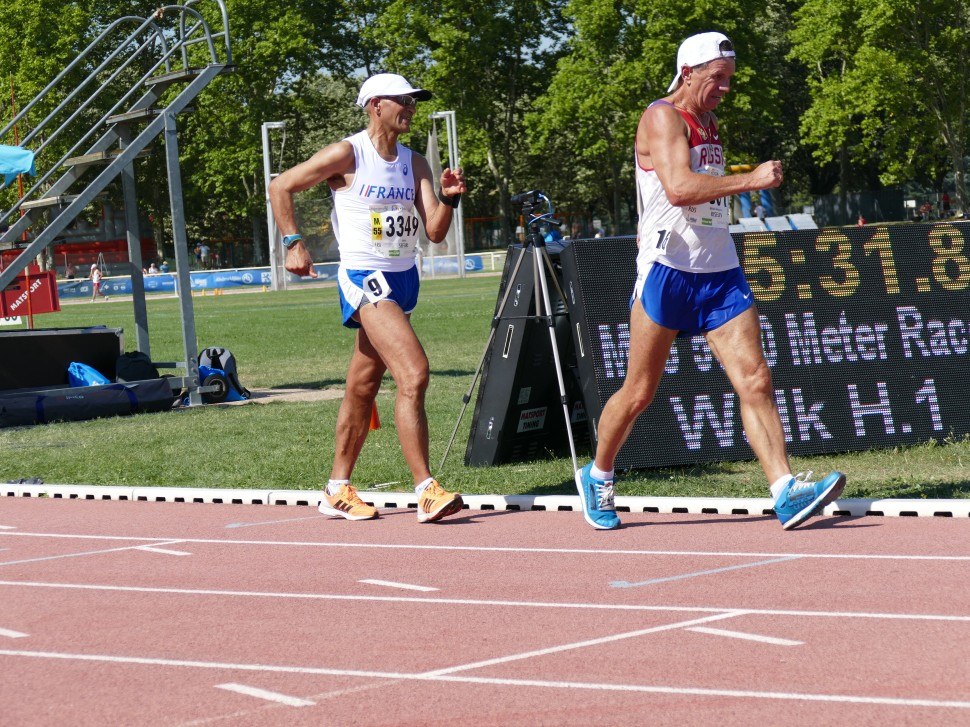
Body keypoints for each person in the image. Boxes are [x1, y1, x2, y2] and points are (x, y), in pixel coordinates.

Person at [575, 32, 845, 531]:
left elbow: (694, 195)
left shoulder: (709, 122)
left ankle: (784, 490)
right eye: (717, 80)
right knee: (639, 391)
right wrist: (753, 180)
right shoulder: (662, 116)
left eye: (728, 80)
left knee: (756, 380)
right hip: (667, 273)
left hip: (719, 272)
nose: (725, 89)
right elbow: (678, 189)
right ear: (689, 73)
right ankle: (598, 474)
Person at [269, 72, 467, 523]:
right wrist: (292, 242)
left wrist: (450, 199)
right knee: (414, 373)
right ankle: (427, 489)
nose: (411, 108)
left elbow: (434, 232)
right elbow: (280, 185)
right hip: (365, 277)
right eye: (403, 101)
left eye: (413, 102)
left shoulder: (415, 163)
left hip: (405, 280)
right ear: (375, 104)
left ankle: (337, 488)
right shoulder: (347, 153)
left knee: (362, 387)